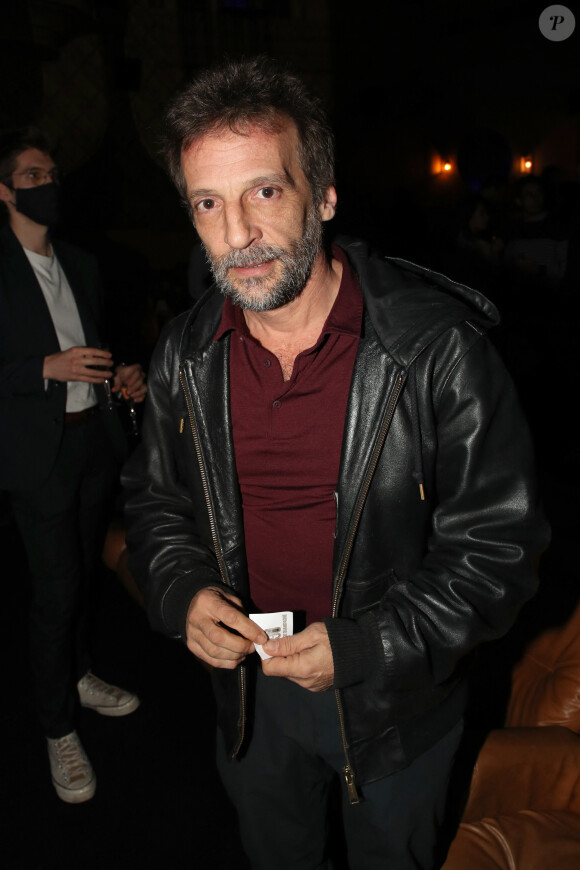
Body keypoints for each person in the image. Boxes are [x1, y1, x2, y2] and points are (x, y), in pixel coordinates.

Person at [122, 58, 549, 869]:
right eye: (208, 204)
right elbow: (155, 504)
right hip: (250, 699)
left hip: (395, 707)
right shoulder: (185, 351)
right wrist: (181, 592)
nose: (237, 234)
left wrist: (364, 648)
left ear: (322, 196)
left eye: (265, 192)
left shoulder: (435, 352)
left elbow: (499, 551)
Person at [0, 127, 147, 804]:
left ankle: (81, 674)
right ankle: (56, 725)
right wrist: (41, 370)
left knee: (83, 576)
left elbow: (94, 349)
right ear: (4, 191)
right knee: (55, 593)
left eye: (52, 172)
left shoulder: (81, 264)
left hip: (93, 443)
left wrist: (121, 375)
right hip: (38, 455)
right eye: (33, 176)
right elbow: (39, 364)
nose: (48, 184)